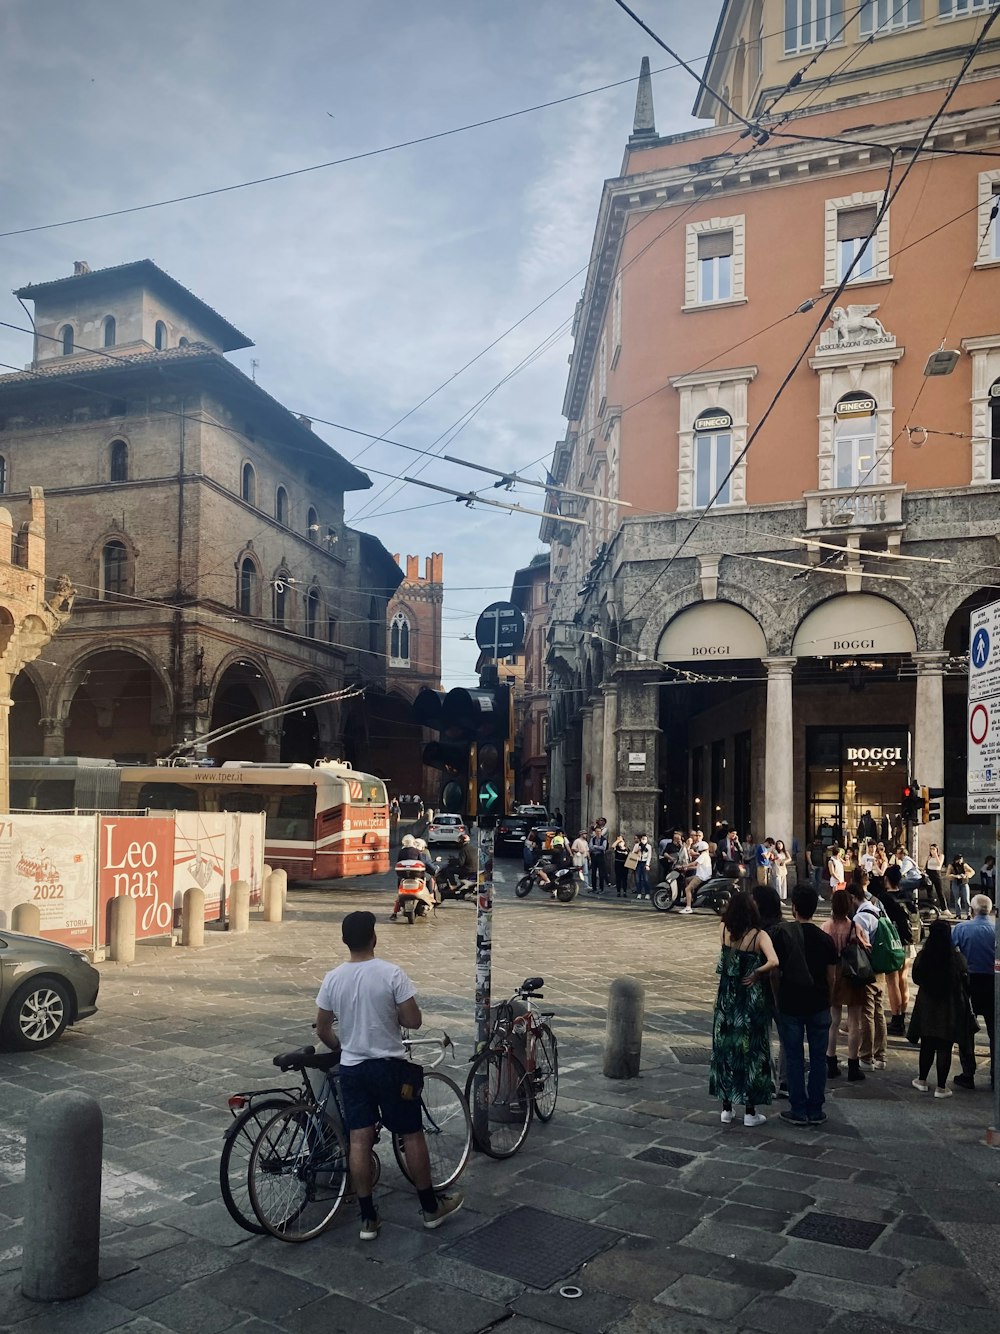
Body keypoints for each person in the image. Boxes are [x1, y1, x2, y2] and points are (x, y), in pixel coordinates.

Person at [315, 911, 463, 1239]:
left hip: (353, 1069)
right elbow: (413, 1021)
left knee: (358, 1140)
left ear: (344, 941)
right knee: (411, 1134)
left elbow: (323, 1029)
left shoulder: (333, 978)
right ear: (374, 938)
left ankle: (368, 1218)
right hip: (391, 1068)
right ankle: (429, 1208)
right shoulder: (391, 974)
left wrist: (344, 1046)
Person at [709, 891, 779, 1127]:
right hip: (749, 1000)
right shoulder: (758, 936)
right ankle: (750, 1111)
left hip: (726, 998)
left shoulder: (722, 930)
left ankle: (726, 1109)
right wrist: (758, 972)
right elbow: (774, 961)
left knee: (725, 1050)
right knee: (751, 1052)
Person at [770, 885, 838, 1126]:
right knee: (819, 1057)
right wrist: (828, 1000)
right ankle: (816, 1108)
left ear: (795, 908)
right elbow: (831, 977)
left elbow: (775, 972)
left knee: (794, 1055)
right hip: (819, 1003)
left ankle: (798, 1109)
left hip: (791, 1002)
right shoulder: (826, 940)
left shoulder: (783, 935)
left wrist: (778, 998)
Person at [908, 919, 978, 1099]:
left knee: (927, 1045)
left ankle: (922, 1080)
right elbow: (966, 982)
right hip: (950, 1008)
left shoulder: (924, 956)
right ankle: (941, 1087)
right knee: (945, 1046)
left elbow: (916, 977)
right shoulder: (957, 959)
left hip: (927, 1006)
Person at [821, 889, 867, 1082]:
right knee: (854, 1021)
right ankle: (853, 1064)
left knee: (833, 1019)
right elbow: (867, 946)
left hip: (833, 972)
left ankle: (830, 1061)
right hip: (853, 973)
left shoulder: (826, 927)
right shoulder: (855, 926)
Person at [952, 894, 996, 1089]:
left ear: (971, 910)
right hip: (993, 982)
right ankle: (996, 1072)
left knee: (966, 1028)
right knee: (995, 1031)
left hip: (969, 982)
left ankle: (968, 1071)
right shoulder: (996, 930)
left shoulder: (961, 929)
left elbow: (950, 952)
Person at [847, 874, 888, 1071]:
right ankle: (881, 1055)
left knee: (868, 1012)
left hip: (868, 968)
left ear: (854, 897)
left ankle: (866, 1056)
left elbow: (859, 945)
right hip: (881, 966)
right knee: (879, 1011)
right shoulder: (877, 910)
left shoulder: (860, 916)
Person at [874, 864, 913, 1034]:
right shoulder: (906, 895)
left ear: (886, 880)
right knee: (903, 979)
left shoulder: (882, 898)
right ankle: (903, 1014)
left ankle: (896, 1019)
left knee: (892, 981)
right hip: (908, 941)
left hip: (892, 943)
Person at [679, 839, 714, 914]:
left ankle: (688, 907)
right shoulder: (705, 855)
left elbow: (694, 863)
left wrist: (684, 866)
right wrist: (687, 868)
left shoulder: (703, 855)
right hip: (703, 875)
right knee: (687, 880)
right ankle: (689, 898)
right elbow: (697, 866)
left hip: (701, 877)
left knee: (687, 889)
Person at [947, 854, 975, 920]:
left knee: (966, 899)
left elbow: (972, 871)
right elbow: (947, 875)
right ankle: (958, 914)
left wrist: (966, 875)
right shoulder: (951, 866)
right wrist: (955, 876)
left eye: (961, 859)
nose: (959, 861)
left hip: (964, 883)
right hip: (955, 883)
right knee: (957, 899)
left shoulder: (964, 865)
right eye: (958, 859)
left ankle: (968, 914)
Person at [924, 843, 948, 913]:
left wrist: (936, 856)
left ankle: (944, 908)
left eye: (933, 849)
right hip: (929, 873)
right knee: (929, 891)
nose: (932, 850)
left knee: (939, 891)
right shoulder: (929, 857)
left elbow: (939, 864)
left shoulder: (941, 856)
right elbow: (926, 866)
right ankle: (931, 907)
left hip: (936, 873)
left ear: (937, 849)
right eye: (931, 849)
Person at [588, 823, 609, 895]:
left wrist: (595, 846)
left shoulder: (604, 840)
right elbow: (590, 847)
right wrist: (597, 847)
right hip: (594, 856)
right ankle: (594, 888)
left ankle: (601, 888)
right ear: (595, 832)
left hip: (600, 857)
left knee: (601, 873)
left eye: (599, 831)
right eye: (597, 831)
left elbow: (603, 848)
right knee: (593, 873)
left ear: (601, 832)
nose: (598, 833)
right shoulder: (592, 839)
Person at [632, 834, 652, 899]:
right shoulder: (637, 845)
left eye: (645, 839)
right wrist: (637, 851)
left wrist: (647, 865)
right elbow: (632, 854)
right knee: (638, 879)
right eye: (642, 839)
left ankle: (647, 893)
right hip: (638, 862)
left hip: (644, 862)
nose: (643, 840)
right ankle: (639, 893)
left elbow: (649, 856)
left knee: (645, 879)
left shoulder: (648, 846)